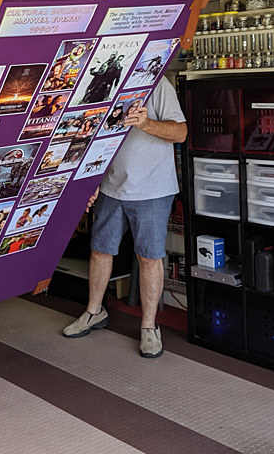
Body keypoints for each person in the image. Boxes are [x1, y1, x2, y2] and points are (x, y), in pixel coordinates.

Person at [62, 78, 187, 359]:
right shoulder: (107, 82)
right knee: (100, 250)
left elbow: (180, 133)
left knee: (149, 257)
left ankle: (148, 326)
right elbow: (93, 137)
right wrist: (91, 180)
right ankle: (94, 311)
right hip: (111, 185)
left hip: (153, 189)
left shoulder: (159, 84)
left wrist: (146, 123)